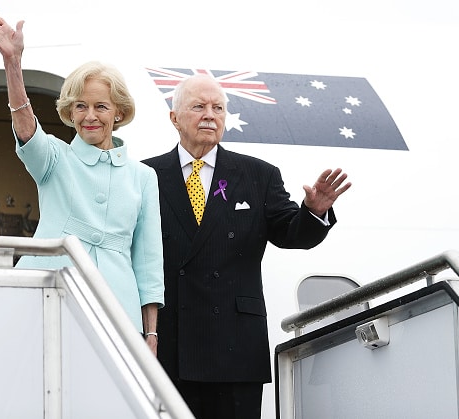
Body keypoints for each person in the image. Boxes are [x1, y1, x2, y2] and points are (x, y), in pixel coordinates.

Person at [142, 73, 352, 418]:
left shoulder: (257, 175)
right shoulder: (146, 175)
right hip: (169, 344)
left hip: (235, 348)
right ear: (174, 118)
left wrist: (314, 212)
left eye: (218, 108)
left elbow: (291, 232)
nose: (210, 115)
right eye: (198, 106)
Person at [0, 11, 164, 354]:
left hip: (117, 311)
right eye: (81, 106)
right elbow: (27, 129)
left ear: (118, 112)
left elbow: (148, 264)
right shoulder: (56, 159)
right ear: (70, 112)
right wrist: (13, 64)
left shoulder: (143, 177)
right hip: (48, 297)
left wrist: (151, 335)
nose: (90, 116)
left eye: (101, 106)